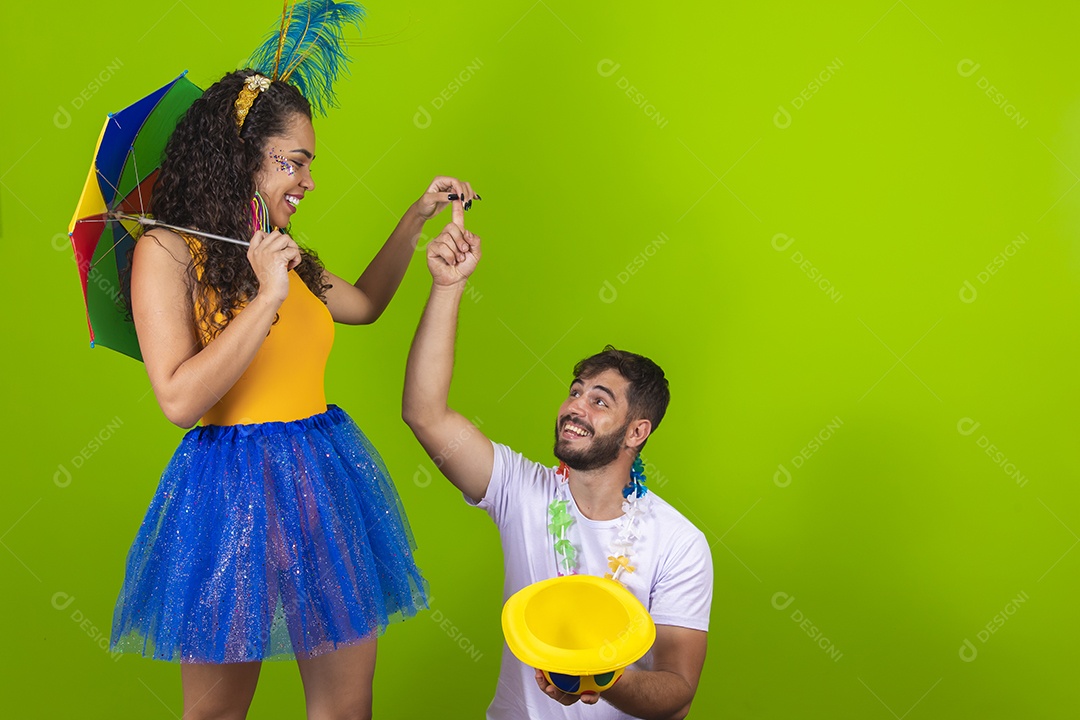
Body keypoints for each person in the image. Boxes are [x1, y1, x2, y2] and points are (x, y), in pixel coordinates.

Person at [108, 64, 479, 719]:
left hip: (320, 479)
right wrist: (266, 298)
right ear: (243, 158)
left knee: (345, 707)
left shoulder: (280, 251)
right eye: (294, 163)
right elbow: (176, 400)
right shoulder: (164, 252)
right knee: (217, 712)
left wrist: (416, 217)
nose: (308, 181)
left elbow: (364, 304)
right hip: (227, 494)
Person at [402, 225, 713, 719]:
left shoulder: (679, 542)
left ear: (636, 433)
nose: (574, 407)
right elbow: (425, 413)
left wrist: (599, 677)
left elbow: (677, 692)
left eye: (598, 401)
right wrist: (447, 286)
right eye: (574, 390)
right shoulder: (521, 490)